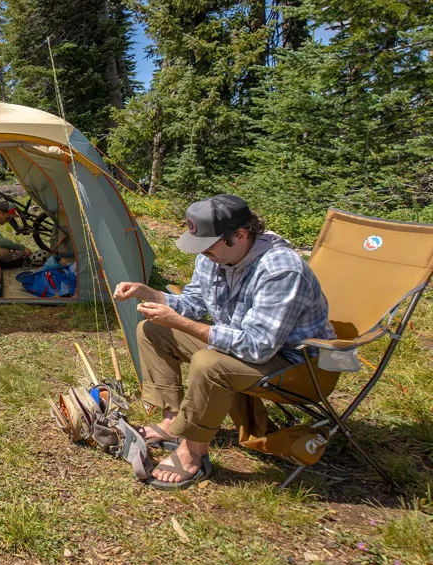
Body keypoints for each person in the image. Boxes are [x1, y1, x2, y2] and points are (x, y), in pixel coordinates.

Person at [114, 194, 335, 489]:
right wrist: (151, 295)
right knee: (153, 331)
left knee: (209, 364)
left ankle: (192, 453)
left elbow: (258, 346)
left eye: (206, 246)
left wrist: (181, 323)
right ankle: (172, 422)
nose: (202, 253)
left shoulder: (280, 270)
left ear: (240, 235)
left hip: (297, 366)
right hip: (244, 347)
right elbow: (194, 302)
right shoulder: (215, 256)